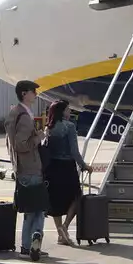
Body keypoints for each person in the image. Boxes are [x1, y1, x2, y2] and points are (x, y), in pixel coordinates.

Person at [6, 80, 46, 260]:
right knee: (39, 207)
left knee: (30, 209)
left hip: (22, 168)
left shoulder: (14, 113)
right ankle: (35, 236)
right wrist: (39, 137)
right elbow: (21, 144)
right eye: (33, 91)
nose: (36, 94)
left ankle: (26, 245)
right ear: (24, 93)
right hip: (30, 167)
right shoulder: (23, 117)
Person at [43, 100, 92, 247]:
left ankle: (60, 234)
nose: (70, 112)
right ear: (62, 112)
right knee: (77, 197)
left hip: (52, 167)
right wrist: (84, 166)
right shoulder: (69, 127)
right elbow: (74, 151)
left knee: (56, 201)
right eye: (68, 109)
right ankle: (65, 226)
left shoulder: (48, 128)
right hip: (67, 166)